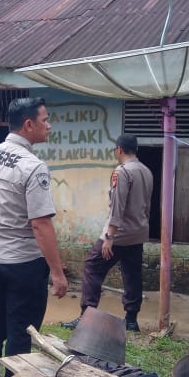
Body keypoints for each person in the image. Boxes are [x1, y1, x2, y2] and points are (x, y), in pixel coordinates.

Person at [0, 97, 68, 377]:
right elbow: (40, 224)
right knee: (20, 331)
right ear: (28, 125)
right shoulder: (33, 167)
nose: (49, 125)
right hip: (22, 263)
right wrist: (57, 271)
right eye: (45, 119)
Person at [62, 134, 154, 332]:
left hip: (119, 234)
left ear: (119, 149)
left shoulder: (121, 172)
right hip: (138, 233)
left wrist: (109, 238)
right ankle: (131, 319)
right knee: (132, 275)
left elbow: (117, 207)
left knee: (92, 266)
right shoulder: (146, 171)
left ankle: (86, 316)